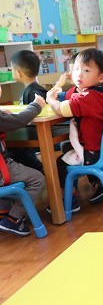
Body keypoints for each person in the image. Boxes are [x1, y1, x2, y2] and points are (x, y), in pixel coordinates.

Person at [45, 48, 103, 212]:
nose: (79, 74)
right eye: (77, 69)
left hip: (94, 154)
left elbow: (61, 110)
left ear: (101, 77)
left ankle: (69, 200)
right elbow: (72, 98)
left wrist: (50, 99)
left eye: (86, 70)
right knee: (67, 147)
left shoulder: (88, 97)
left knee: (60, 163)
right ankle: (99, 184)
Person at [0, 88, 46, 236]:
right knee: (37, 179)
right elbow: (18, 121)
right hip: (1, 171)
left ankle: (3, 209)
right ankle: (13, 218)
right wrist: (36, 105)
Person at [7, 50, 47, 173]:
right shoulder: (33, 89)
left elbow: (32, 117)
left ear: (18, 73)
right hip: (34, 132)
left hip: (36, 134)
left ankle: (39, 169)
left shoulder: (32, 92)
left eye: (12, 69)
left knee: (13, 147)